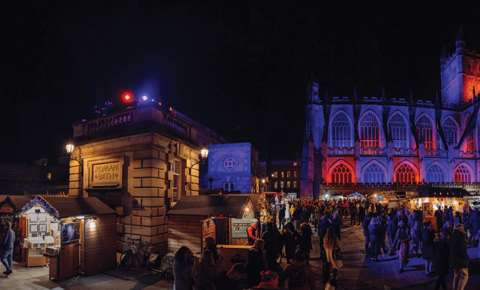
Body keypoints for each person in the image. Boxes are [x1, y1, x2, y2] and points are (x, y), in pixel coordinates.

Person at [448, 223, 469, 290]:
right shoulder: (460, 236)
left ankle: (454, 288)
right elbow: (462, 249)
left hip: (453, 259)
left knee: (456, 275)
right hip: (460, 260)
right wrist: (466, 259)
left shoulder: (452, 236)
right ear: (461, 229)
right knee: (465, 275)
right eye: (463, 229)